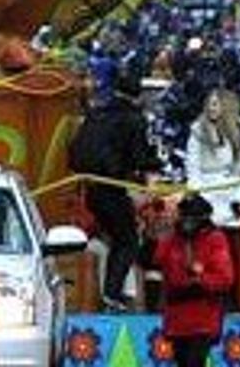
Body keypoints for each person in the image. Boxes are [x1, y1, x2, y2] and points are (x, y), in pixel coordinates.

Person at [69, 66, 159, 311]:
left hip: (91, 186)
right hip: (112, 186)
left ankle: (112, 292)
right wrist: (151, 168)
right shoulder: (133, 119)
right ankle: (112, 292)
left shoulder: (97, 113)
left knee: (114, 238)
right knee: (128, 240)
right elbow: (140, 157)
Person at [153, 194, 234, 367]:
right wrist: (157, 235)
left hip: (202, 318)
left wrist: (199, 279)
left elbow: (225, 278)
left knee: (194, 361)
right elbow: (154, 259)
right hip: (176, 317)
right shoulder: (173, 239)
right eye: (184, 216)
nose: (186, 221)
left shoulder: (215, 239)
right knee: (183, 362)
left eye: (190, 217)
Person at [184, 89, 240, 227]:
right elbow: (193, 169)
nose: (210, 108)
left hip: (233, 195)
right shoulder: (198, 132)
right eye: (209, 104)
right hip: (205, 193)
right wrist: (198, 196)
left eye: (215, 104)